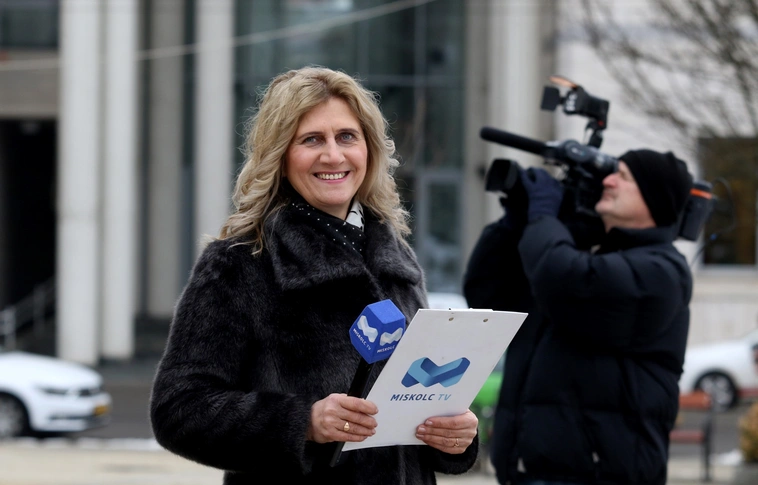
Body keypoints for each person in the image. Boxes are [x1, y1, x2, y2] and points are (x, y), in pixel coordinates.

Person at [149, 66, 479, 485]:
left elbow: (415, 400)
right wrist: (303, 422)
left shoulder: (397, 257)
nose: (333, 156)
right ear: (280, 156)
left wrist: (453, 435)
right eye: (311, 140)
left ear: (369, 150)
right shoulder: (239, 263)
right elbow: (178, 409)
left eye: (347, 137)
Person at [464, 149, 694, 484]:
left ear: (654, 197)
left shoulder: (661, 272)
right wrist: (514, 223)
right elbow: (486, 293)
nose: (608, 181)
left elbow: (565, 280)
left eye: (623, 176)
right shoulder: (579, 253)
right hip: (528, 470)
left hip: (602, 474)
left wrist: (543, 216)